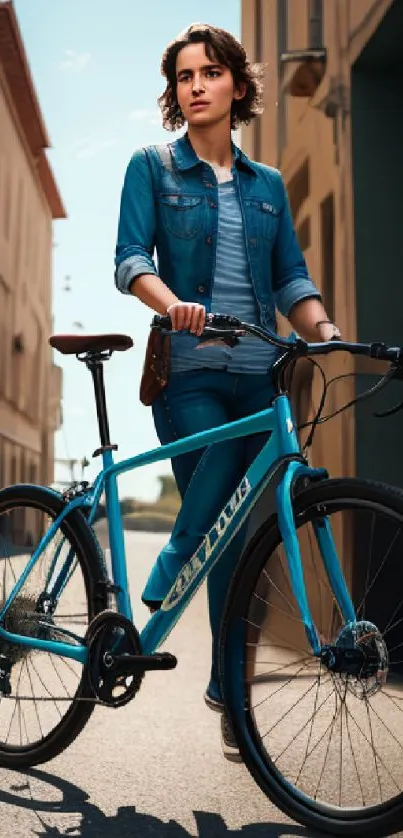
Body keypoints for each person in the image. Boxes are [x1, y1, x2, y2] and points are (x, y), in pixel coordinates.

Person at [115, 22, 340, 761]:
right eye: (184, 76)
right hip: (188, 374)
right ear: (175, 93)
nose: (197, 85)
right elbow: (128, 259)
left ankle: (228, 698)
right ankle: (174, 557)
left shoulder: (267, 185)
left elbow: (290, 280)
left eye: (210, 72)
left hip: (258, 373)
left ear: (236, 85)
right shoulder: (151, 167)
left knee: (240, 539)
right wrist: (169, 300)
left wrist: (323, 327)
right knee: (221, 525)